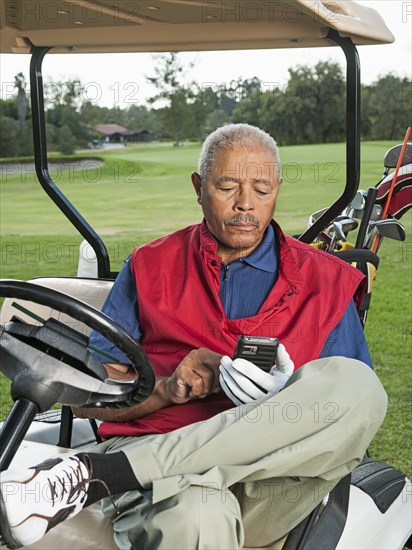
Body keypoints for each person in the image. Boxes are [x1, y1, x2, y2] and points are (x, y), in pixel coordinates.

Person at [0, 124, 387, 550]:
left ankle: (97, 476)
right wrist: (168, 389)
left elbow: (351, 417)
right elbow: (97, 402)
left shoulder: (325, 279)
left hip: (271, 482)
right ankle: (126, 472)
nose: (245, 204)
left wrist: (288, 396)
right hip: (165, 476)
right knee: (195, 514)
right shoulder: (150, 265)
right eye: (227, 186)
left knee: (362, 387)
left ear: (278, 187)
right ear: (198, 187)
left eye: (261, 188)